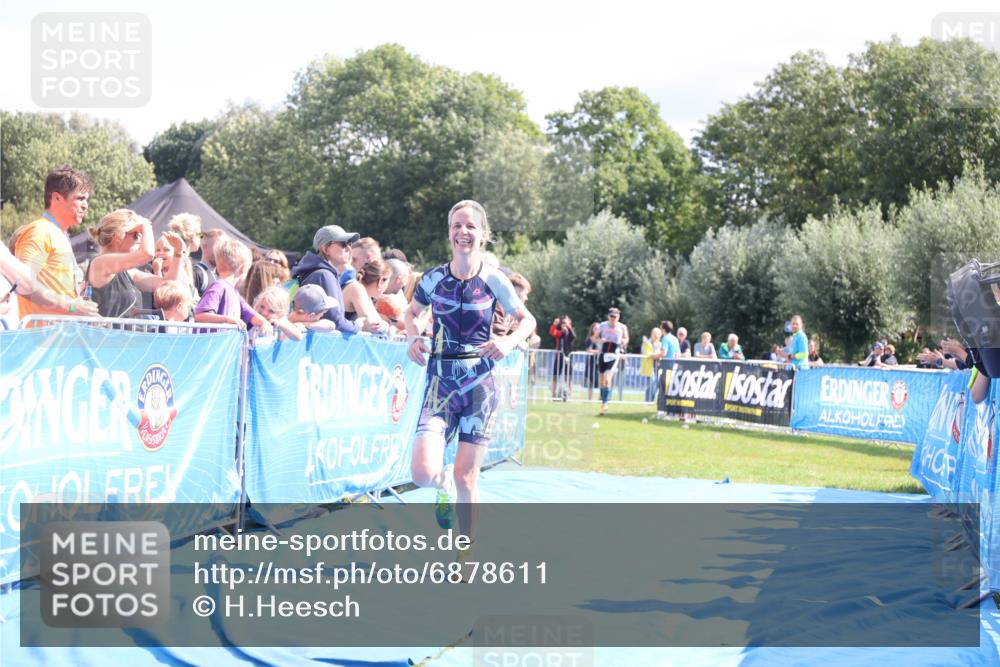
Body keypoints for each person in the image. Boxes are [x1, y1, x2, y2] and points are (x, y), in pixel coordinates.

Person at [403, 200, 535, 554]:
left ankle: (466, 549)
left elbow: (528, 321)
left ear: (483, 235)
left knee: (467, 476)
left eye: (471, 226)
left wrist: (507, 342)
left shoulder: (494, 280)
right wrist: (413, 338)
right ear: (449, 233)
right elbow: (411, 313)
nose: (463, 232)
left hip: (479, 389)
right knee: (421, 474)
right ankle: (441, 482)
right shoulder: (433, 279)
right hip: (440, 386)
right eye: (457, 225)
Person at [13, 166, 100, 321]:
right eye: (80, 198)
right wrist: (72, 307)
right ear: (57, 198)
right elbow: (23, 283)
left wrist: (82, 308)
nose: (85, 205)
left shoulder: (59, 234)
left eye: (86, 200)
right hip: (41, 334)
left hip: (61, 333)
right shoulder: (39, 231)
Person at [87, 210, 187, 319]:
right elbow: (147, 254)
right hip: (108, 330)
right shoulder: (100, 263)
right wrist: (146, 225)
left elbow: (169, 285)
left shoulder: (128, 272)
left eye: (141, 234)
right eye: (136, 235)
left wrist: (178, 253)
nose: (140, 239)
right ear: (118, 237)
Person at [289, 225, 364, 334]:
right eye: (343, 244)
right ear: (325, 248)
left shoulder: (318, 272)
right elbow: (335, 322)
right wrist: (358, 326)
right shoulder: (324, 275)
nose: (349, 248)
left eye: (349, 243)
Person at [194, 237, 273, 336]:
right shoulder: (218, 287)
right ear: (242, 269)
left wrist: (264, 322)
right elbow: (200, 316)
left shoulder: (235, 294)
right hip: (209, 345)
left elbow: (251, 314)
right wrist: (227, 320)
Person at [596, 307, 629, 415]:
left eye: (615, 317)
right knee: (602, 381)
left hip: (614, 355)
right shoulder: (602, 325)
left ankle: (605, 403)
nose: (613, 319)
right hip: (603, 354)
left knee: (607, 378)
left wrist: (622, 341)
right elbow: (594, 338)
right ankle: (603, 402)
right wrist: (601, 340)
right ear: (608, 316)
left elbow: (626, 339)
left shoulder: (622, 327)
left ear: (618, 317)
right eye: (611, 316)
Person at [343, 258, 390, 330]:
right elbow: (371, 325)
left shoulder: (366, 295)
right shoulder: (357, 288)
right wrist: (385, 326)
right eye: (387, 282)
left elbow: (377, 322)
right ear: (381, 280)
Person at [193, 229, 226, 297]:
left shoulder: (220, 277)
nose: (222, 252)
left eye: (224, 248)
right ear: (205, 247)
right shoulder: (196, 273)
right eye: (219, 247)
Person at [550, 315, 576, 400]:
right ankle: (554, 395)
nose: (563, 324)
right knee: (555, 376)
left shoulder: (570, 332)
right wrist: (554, 324)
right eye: (562, 323)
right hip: (559, 357)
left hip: (568, 357)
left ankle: (569, 395)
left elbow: (573, 336)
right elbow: (553, 332)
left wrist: (568, 328)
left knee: (568, 377)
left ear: (569, 323)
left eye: (565, 323)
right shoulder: (560, 333)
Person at [640, 327, 665, 403]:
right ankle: (648, 401)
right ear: (651, 334)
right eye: (654, 333)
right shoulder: (647, 343)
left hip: (658, 366)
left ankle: (650, 400)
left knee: (656, 384)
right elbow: (649, 354)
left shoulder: (661, 344)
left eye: (658, 334)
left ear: (660, 335)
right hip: (649, 367)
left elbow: (662, 354)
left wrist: (657, 355)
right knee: (651, 384)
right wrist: (659, 354)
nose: (656, 335)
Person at [584, 322, 601, 402]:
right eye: (595, 328)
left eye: (598, 328)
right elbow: (588, 350)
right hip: (591, 362)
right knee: (590, 381)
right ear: (592, 330)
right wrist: (598, 351)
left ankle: (601, 398)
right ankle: (590, 399)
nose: (597, 330)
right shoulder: (590, 339)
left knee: (601, 380)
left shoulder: (602, 339)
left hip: (601, 362)